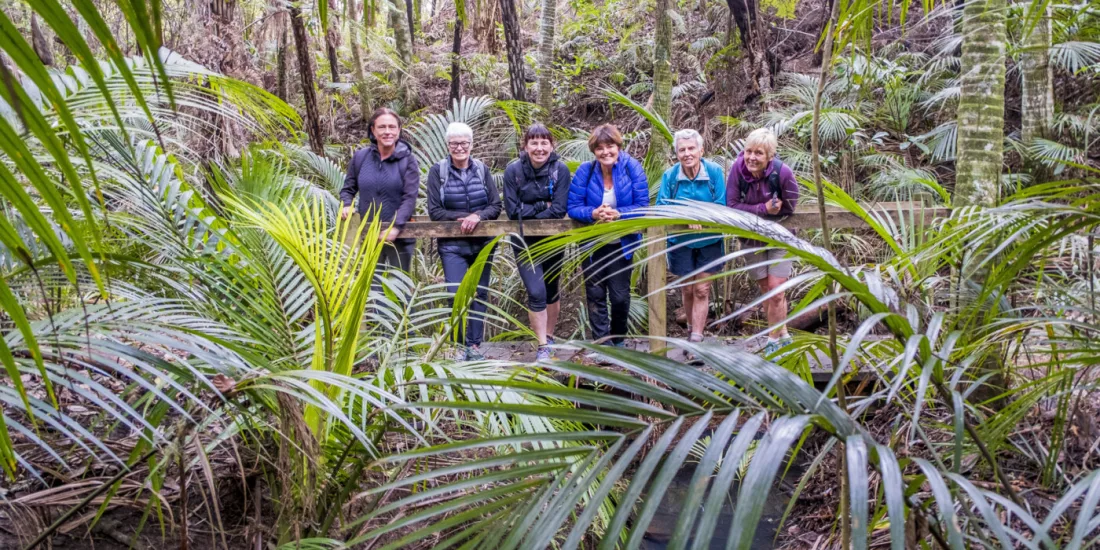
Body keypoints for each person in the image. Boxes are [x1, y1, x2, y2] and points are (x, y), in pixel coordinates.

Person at [567, 124, 649, 348]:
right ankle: (602, 345)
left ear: (618, 146)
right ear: (593, 150)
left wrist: (619, 214)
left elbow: (642, 206)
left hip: (622, 244)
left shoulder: (632, 167)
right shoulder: (586, 171)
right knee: (595, 295)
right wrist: (593, 213)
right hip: (592, 245)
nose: (606, 152)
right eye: (600, 148)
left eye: (610, 146)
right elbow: (573, 206)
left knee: (620, 297)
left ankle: (619, 341)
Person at [427, 122, 502, 361]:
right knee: (455, 292)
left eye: (464, 143)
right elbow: (434, 211)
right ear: (448, 146)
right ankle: (459, 345)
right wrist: (461, 220)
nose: (460, 147)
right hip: (452, 246)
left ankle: (475, 345)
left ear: (471, 144)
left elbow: (495, 205)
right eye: (454, 143)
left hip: (483, 244)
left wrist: (477, 216)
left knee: (479, 293)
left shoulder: (482, 169)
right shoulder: (437, 172)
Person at [726, 127, 799, 355]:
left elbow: (792, 205)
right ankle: (783, 332)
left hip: (780, 237)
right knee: (767, 289)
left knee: (776, 291)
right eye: (749, 151)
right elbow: (731, 206)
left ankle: (772, 342)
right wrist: (762, 209)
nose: (752, 158)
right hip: (751, 239)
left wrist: (776, 209)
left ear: (769, 156)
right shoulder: (737, 170)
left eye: (758, 153)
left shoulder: (782, 173)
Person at [503, 124, 571, 361]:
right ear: (526, 146)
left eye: (544, 143)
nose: (539, 148)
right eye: (534, 142)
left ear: (552, 146)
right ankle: (542, 345)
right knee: (536, 291)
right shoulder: (513, 171)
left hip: (554, 239)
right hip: (524, 241)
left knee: (551, 289)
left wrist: (530, 211)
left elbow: (560, 209)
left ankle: (549, 337)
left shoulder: (560, 170)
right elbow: (512, 211)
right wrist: (544, 206)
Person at [656, 129, 728, 344]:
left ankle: (697, 338)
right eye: (682, 150)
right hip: (681, 242)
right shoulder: (670, 176)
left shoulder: (714, 172)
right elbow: (661, 206)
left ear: (701, 150)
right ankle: (689, 331)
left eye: (691, 148)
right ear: (676, 153)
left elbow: (722, 205)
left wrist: (699, 215)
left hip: (710, 240)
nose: (687, 153)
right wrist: (685, 215)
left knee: (702, 289)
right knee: (687, 289)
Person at [340, 107, 420, 272]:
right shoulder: (361, 158)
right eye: (382, 127)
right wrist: (347, 204)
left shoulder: (408, 161)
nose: (387, 131)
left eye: (392, 127)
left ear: (398, 130)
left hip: (400, 238)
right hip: (369, 235)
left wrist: (395, 227)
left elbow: (409, 198)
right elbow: (348, 189)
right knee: (373, 290)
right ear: (373, 130)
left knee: (397, 291)